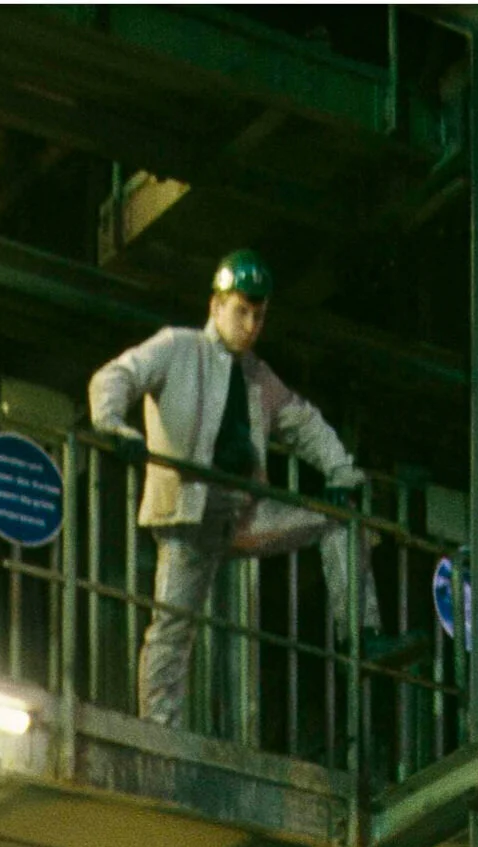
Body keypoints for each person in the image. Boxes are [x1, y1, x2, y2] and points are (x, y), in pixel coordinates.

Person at [88, 249, 402, 729]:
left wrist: (342, 475)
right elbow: (117, 376)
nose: (251, 324)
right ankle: (159, 728)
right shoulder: (178, 348)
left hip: (241, 513)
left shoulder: (257, 376)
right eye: (242, 311)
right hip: (188, 512)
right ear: (217, 306)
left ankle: (360, 633)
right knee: (174, 626)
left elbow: (303, 423)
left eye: (259, 315)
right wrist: (113, 426)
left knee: (340, 517)